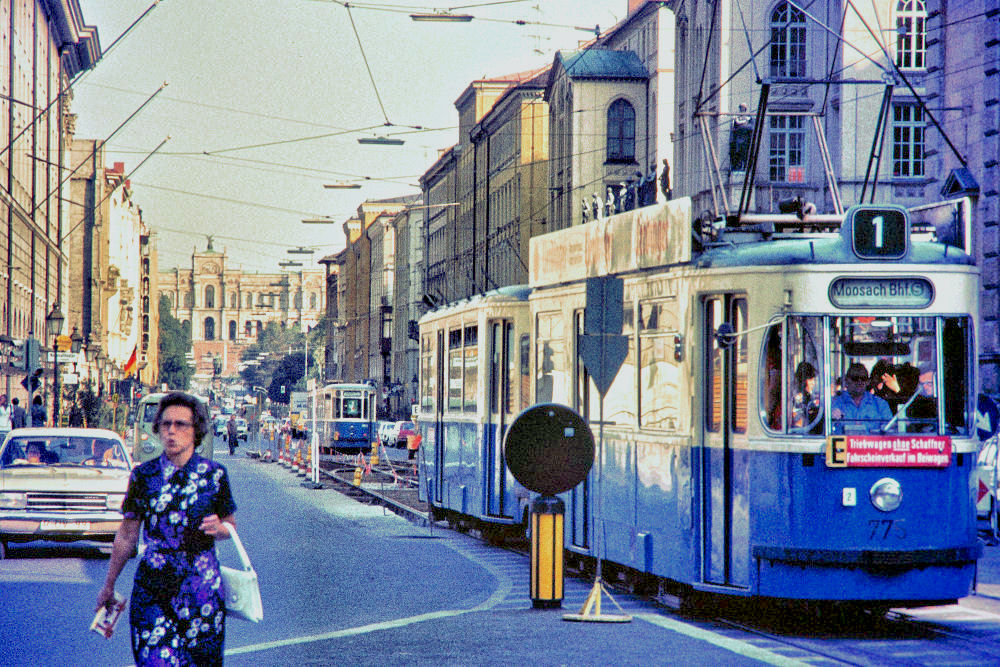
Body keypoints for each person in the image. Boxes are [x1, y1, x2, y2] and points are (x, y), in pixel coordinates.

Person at [95, 391, 236, 666]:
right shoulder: (143, 476)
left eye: (180, 424)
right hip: (154, 590)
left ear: (196, 430)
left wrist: (220, 529)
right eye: (165, 424)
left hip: (202, 593)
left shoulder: (215, 475)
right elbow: (127, 535)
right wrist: (109, 585)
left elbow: (230, 525)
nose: (171, 431)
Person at [831, 363, 893, 434]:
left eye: (863, 379)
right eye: (855, 378)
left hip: (871, 444)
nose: (859, 382)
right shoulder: (835, 403)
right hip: (843, 444)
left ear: (868, 382)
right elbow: (828, 431)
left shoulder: (881, 404)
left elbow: (889, 431)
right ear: (846, 381)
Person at [791, 361, 821, 431]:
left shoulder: (808, 396)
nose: (813, 383)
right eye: (810, 380)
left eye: (814, 380)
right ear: (803, 380)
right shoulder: (799, 398)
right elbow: (798, 422)